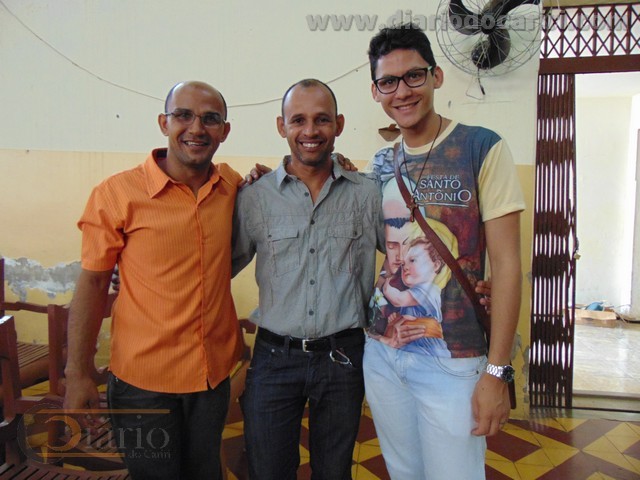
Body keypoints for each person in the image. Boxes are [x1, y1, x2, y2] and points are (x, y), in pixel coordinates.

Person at [362, 24, 525, 480]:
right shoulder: (380, 163)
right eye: (388, 81)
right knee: (403, 472)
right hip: (383, 352)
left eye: (413, 76)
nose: (402, 91)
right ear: (376, 92)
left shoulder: (480, 147)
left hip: (455, 357)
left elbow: (508, 265)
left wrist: (497, 371)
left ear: (436, 76)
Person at [64, 81, 244, 480]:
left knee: (205, 472)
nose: (196, 128)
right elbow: (92, 286)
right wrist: (77, 372)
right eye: (183, 115)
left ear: (224, 131)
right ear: (164, 123)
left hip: (211, 376)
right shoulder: (117, 194)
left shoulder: (231, 185)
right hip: (143, 384)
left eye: (210, 119)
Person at [231, 79, 386, 480]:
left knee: (334, 471)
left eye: (321, 120)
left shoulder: (368, 194)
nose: (310, 131)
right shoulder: (254, 197)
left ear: (339, 124)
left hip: (343, 357)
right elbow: (219, 267)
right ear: (281, 126)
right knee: (268, 470)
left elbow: (406, 256)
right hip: (274, 359)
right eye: (298, 120)